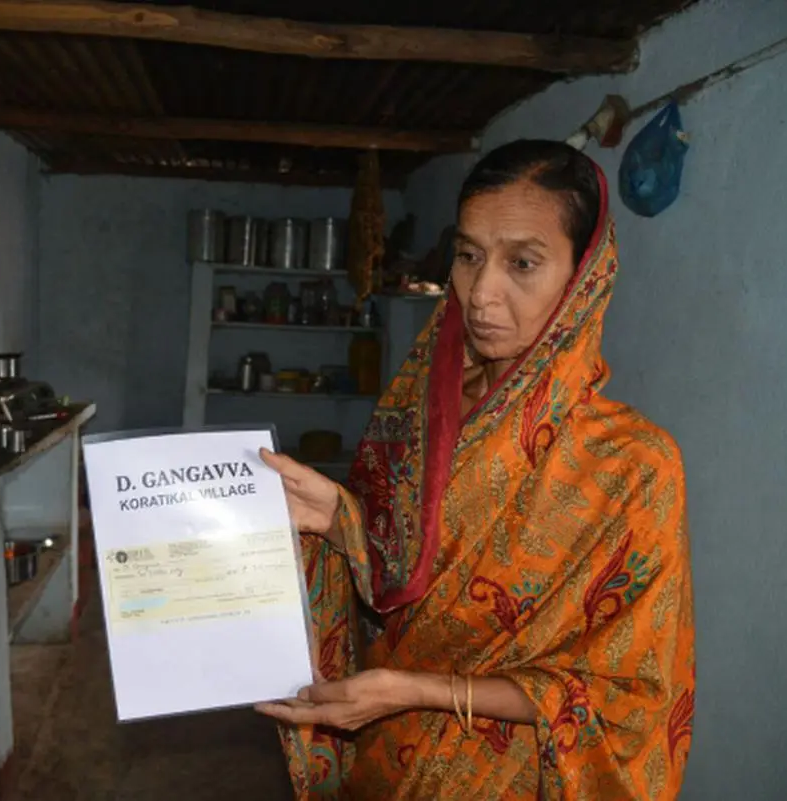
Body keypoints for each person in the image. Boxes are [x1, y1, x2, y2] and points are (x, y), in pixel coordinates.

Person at [256, 140, 695, 800]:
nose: (481, 292)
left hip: (505, 775)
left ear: (584, 276)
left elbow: (626, 697)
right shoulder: (417, 411)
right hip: (384, 760)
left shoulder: (632, 467)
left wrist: (413, 690)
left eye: (523, 262)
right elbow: (396, 577)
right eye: (468, 255)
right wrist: (336, 521)